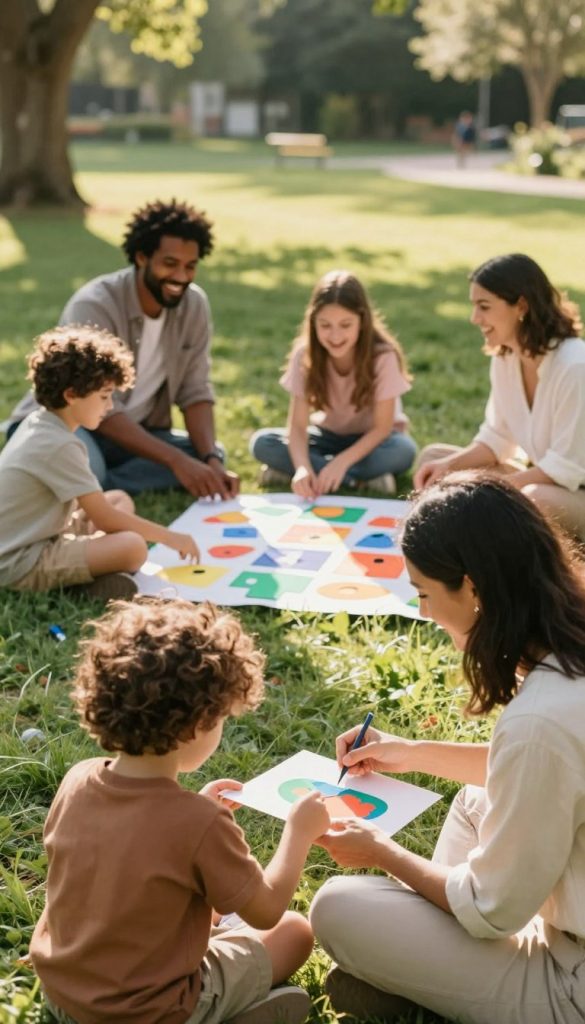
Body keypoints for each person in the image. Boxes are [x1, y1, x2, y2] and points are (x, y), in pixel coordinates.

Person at [309, 474, 585, 1024]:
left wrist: (382, 852)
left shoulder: (541, 721)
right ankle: (433, 972)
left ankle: (427, 984)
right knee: (474, 801)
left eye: (425, 594)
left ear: (474, 588)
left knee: (336, 906)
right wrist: (408, 752)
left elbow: (494, 910)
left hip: (572, 986)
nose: (426, 613)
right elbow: (548, 772)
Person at [30, 597, 330, 1024]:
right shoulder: (199, 825)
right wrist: (298, 833)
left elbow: (128, 855)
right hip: (154, 1008)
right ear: (198, 725)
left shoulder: (79, 779)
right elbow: (266, 911)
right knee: (294, 932)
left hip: (65, 995)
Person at [7, 199, 238, 499]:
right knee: (97, 469)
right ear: (142, 257)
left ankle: (89, 486)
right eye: (170, 264)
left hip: (133, 434)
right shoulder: (95, 304)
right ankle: (88, 481)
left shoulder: (194, 305)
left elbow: (195, 391)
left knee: (209, 454)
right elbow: (97, 404)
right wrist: (174, 460)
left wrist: (210, 461)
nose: (181, 276)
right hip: (70, 425)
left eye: (190, 266)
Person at [0, 325, 199, 598]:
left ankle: (96, 571)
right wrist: (171, 537)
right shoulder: (58, 445)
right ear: (70, 395)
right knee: (133, 547)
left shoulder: (41, 422)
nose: (109, 406)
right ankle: (83, 585)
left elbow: (105, 510)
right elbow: (105, 520)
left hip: (41, 533)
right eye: (104, 396)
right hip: (20, 561)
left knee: (119, 499)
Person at [414, 253, 585, 540]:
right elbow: (497, 438)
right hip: (547, 482)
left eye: (484, 307)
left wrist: (491, 489)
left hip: (572, 493)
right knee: (435, 459)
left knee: (533, 498)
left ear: (521, 306)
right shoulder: (505, 358)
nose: (474, 318)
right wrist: (449, 466)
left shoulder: (575, 366)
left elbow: (565, 469)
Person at [250, 270, 417, 498]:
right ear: (313, 322)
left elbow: (382, 429)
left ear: (362, 321)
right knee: (263, 443)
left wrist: (340, 463)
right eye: (325, 325)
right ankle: (358, 479)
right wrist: (301, 467)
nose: (335, 336)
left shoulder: (383, 356)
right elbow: (297, 427)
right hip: (326, 436)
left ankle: (317, 473)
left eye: (345, 325)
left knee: (404, 451)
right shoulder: (304, 356)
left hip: (373, 441)